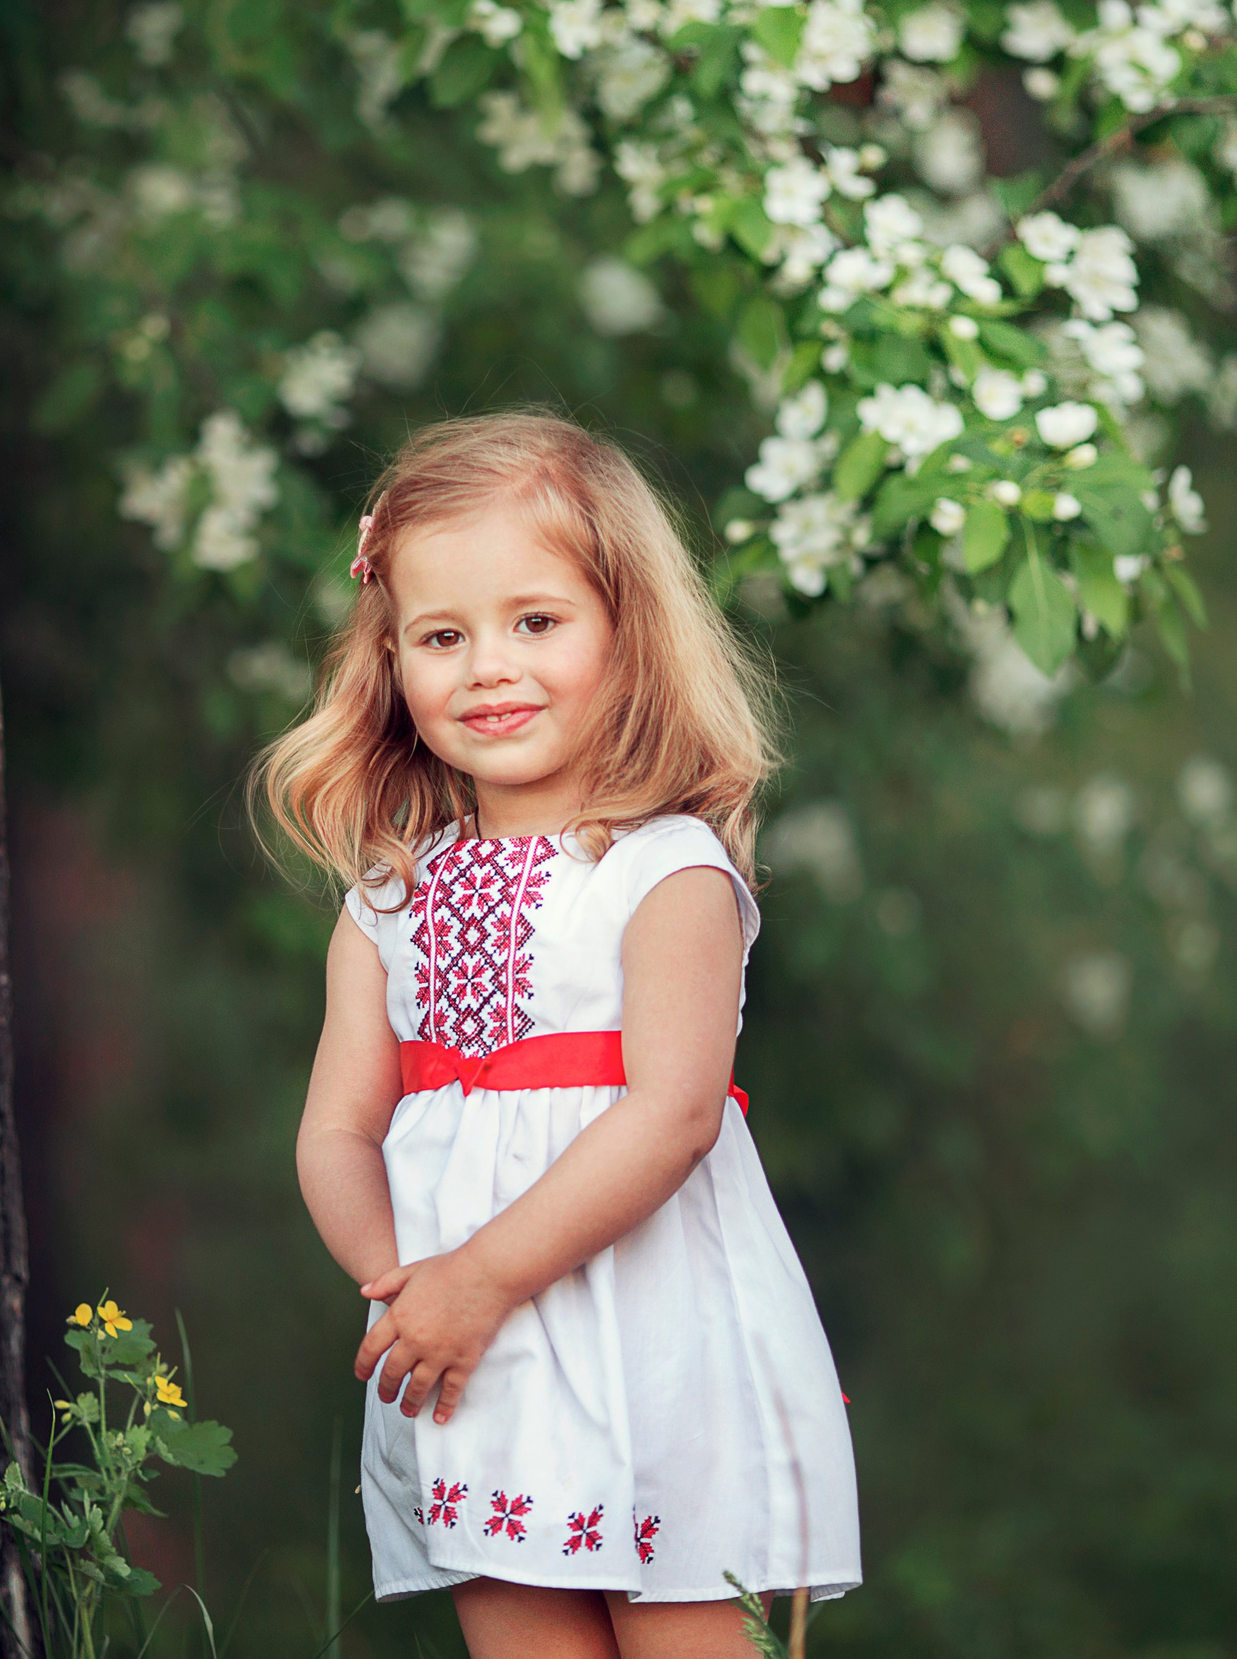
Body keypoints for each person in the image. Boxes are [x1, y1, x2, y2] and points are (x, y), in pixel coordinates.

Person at [251, 409, 863, 1657]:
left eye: (536, 621)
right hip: (473, 1371)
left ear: (627, 635)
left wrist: (477, 1278)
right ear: (394, 664)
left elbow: (674, 1113)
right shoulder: (387, 903)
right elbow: (337, 1129)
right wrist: (404, 1294)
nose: (488, 665)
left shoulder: (664, 871)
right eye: (442, 635)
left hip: (662, 1357)